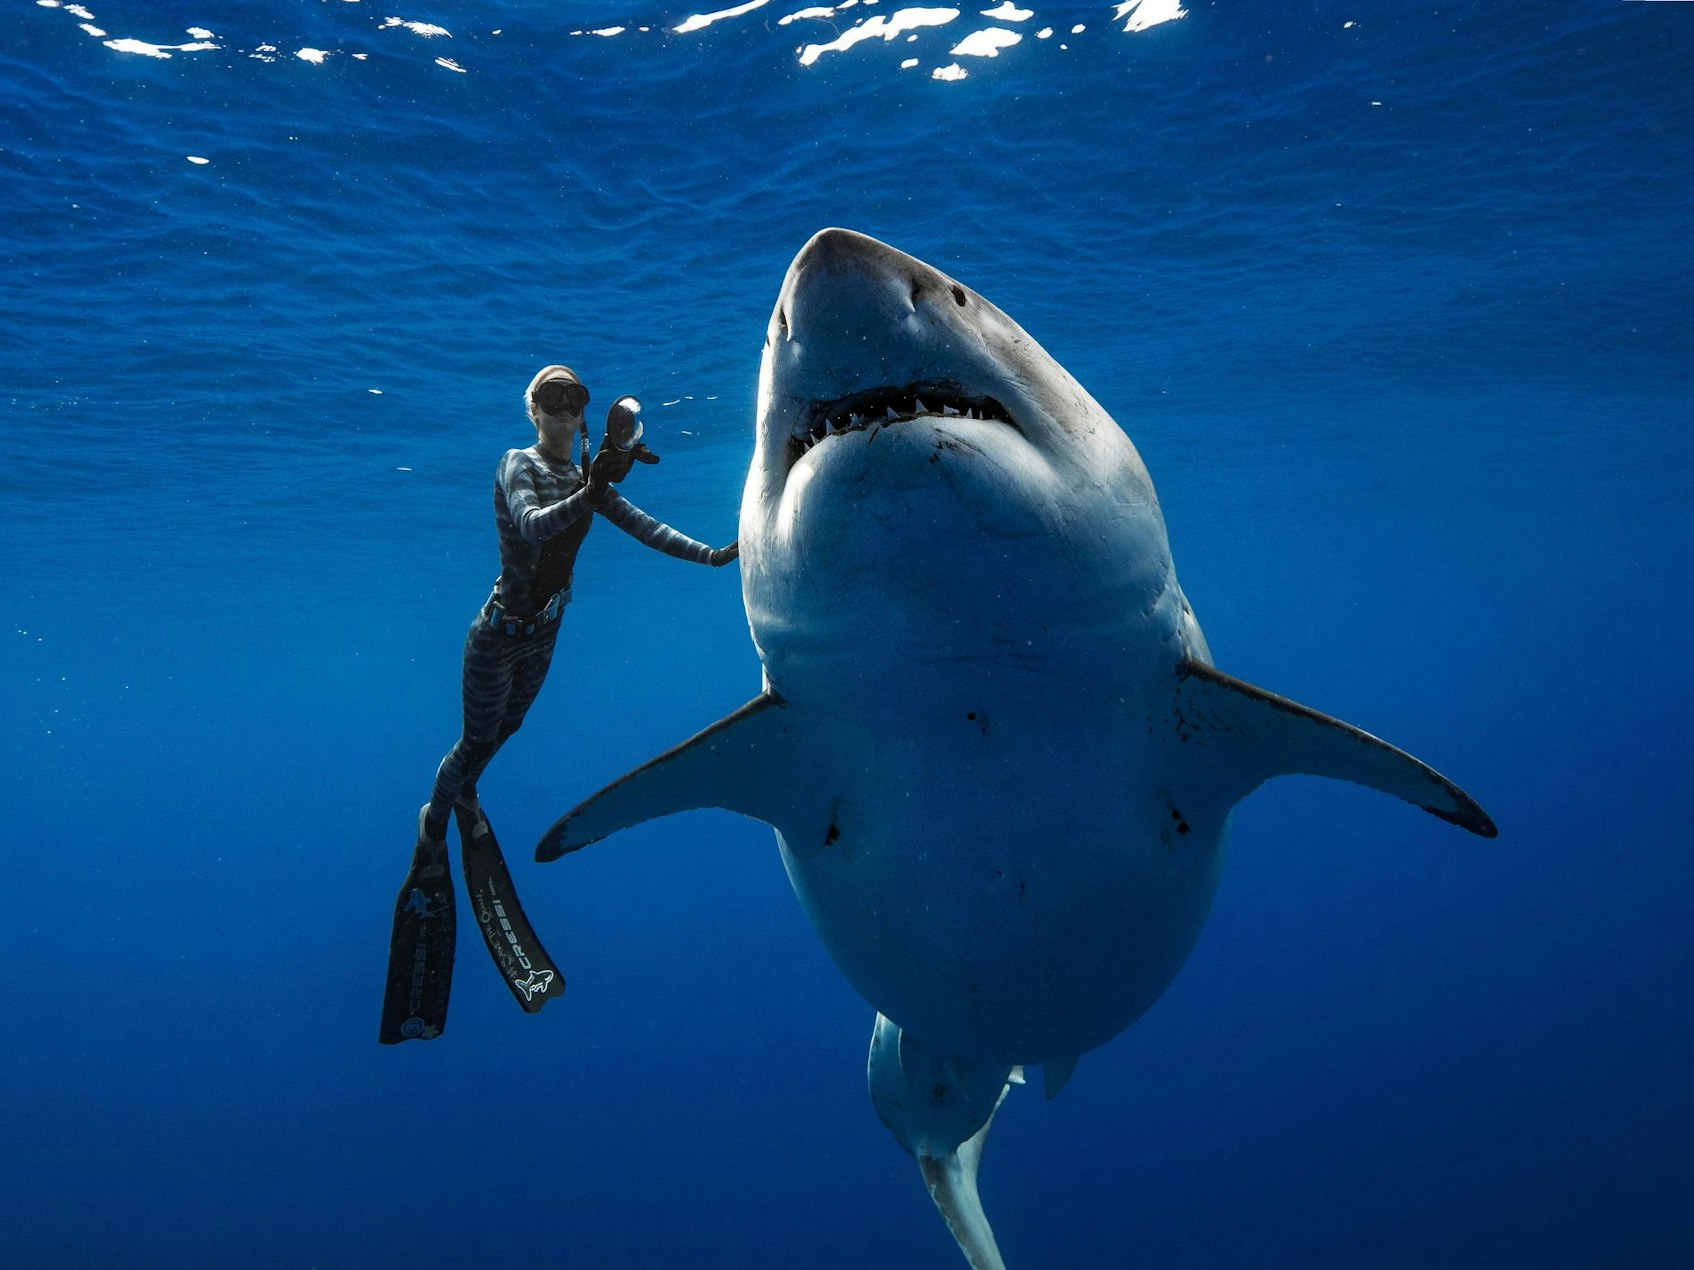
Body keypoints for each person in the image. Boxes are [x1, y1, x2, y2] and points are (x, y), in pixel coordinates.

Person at [380, 364, 737, 1044]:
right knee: (474, 743)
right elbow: (534, 526)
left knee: (502, 735)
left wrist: (715, 557)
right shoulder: (518, 465)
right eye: (552, 399)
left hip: (544, 635)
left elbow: (644, 525)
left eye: (575, 400)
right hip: (496, 638)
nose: (564, 411)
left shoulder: (586, 482)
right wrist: (596, 486)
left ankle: (464, 796)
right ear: (533, 410)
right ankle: (433, 824)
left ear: (583, 415)